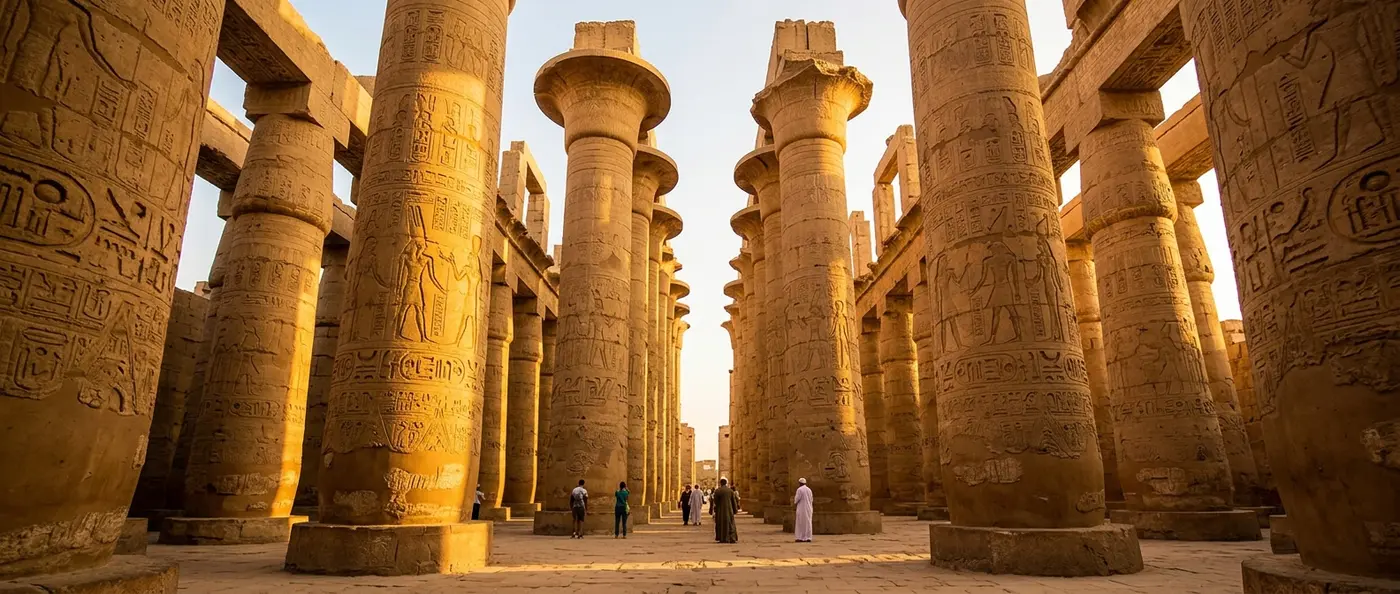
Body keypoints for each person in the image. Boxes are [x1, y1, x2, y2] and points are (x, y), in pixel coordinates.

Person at [710, 478, 739, 543]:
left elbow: (715, 502)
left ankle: (722, 538)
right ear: (726, 483)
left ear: (720, 483)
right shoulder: (730, 491)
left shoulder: (717, 491)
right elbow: (733, 501)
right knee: (730, 523)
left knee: (721, 524)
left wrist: (715, 509)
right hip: (729, 509)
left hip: (720, 510)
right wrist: (735, 510)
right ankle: (731, 537)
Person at [793, 477, 814, 543]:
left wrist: (794, 503)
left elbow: (796, 499)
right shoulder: (809, 490)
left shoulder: (799, 489)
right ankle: (808, 537)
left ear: (800, 483)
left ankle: (800, 537)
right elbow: (811, 499)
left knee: (800, 523)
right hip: (809, 508)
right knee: (808, 523)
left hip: (802, 508)